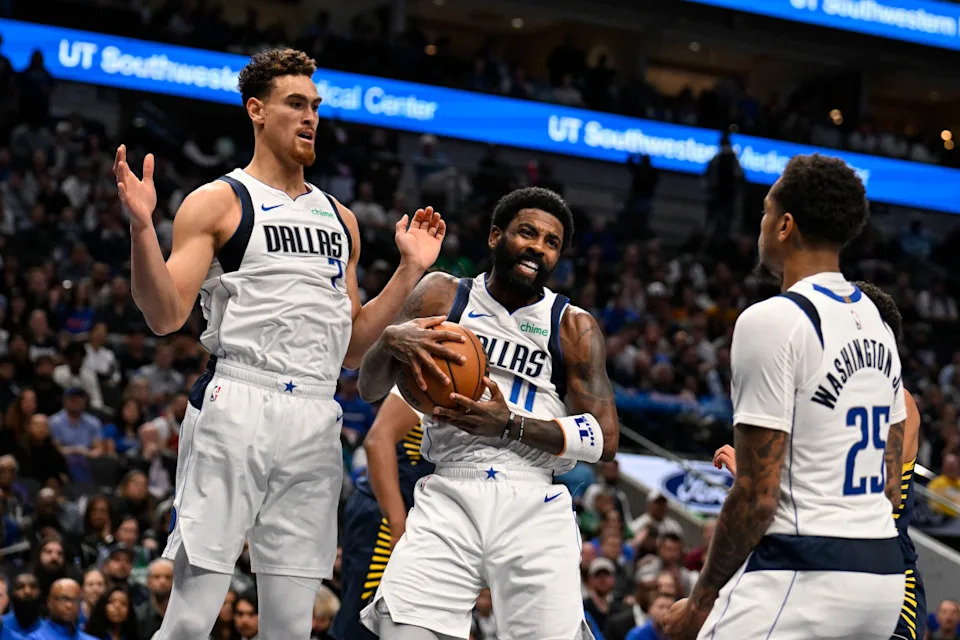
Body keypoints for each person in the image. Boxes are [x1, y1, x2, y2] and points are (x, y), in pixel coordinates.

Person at [113, 47, 446, 639]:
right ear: (257, 111)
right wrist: (142, 229)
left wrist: (408, 271)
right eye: (296, 103)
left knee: (291, 629)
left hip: (317, 412)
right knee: (191, 619)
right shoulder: (218, 200)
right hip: (238, 398)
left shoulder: (340, 218)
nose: (311, 116)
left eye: (315, 105)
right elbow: (164, 314)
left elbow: (351, 346)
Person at [357, 186, 620, 639]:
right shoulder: (443, 295)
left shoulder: (573, 325)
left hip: (533, 501)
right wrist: (388, 341)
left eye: (551, 242)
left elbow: (605, 439)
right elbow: (369, 386)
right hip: (450, 489)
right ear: (496, 236)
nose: (538, 247)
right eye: (527, 233)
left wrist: (510, 426)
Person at [663, 154, 907, 639]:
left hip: (807, 569)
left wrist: (701, 601)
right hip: (882, 576)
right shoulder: (878, 323)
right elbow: (889, 482)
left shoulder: (773, 319)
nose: (762, 222)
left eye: (764, 211)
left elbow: (757, 497)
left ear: (784, 225)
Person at [710, 280, 927, 640]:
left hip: (883, 576)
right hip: (828, 569)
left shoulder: (898, 401)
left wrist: (757, 477)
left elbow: (873, 498)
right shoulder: (841, 394)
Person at [331, 390, 433, 640]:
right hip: (385, 515)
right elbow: (377, 441)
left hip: (415, 517)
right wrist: (397, 527)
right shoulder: (435, 379)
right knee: (364, 618)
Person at [28, 578, 97, 640]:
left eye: (75, 600)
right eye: (63, 599)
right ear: (49, 602)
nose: (69, 605)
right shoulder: (34, 638)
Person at [2, 573, 43, 639]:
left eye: (33, 587)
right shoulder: (1, 625)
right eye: (20, 587)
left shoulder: (49, 630)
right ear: (12, 593)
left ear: (40, 592)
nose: (27, 592)